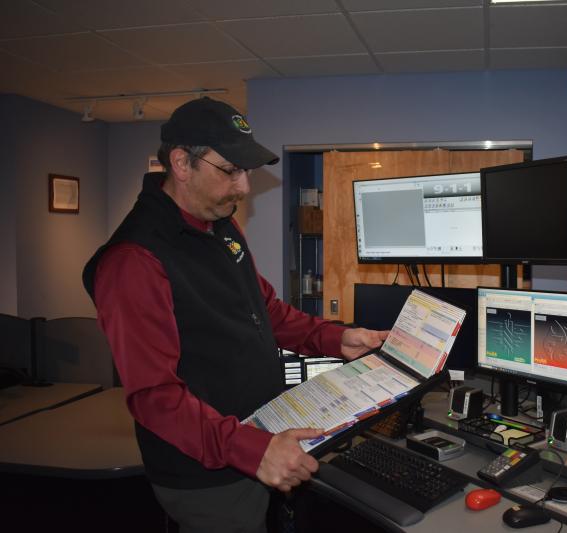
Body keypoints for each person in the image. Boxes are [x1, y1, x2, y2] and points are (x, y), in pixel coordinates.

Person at [82, 97, 388, 533]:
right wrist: (252, 450)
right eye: (231, 171)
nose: (244, 188)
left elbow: (264, 310)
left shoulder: (219, 224)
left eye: (247, 171)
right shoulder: (134, 260)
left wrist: (336, 339)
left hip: (257, 440)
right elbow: (154, 397)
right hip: (207, 475)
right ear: (181, 164)